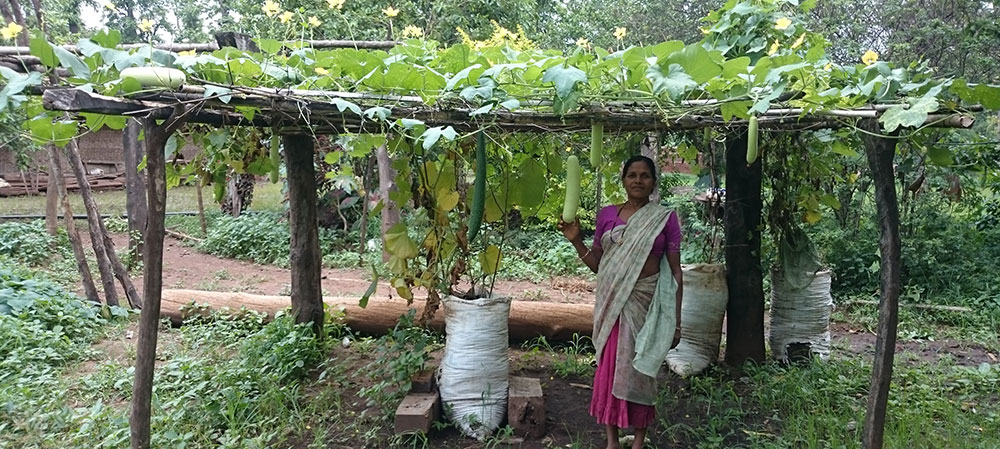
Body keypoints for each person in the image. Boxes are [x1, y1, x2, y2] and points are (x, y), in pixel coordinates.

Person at [558, 155, 683, 449]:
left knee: (642, 370)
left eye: (645, 175)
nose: (638, 180)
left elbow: (675, 270)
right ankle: (612, 441)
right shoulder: (607, 215)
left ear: (653, 182)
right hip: (613, 303)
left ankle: (638, 441)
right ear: (624, 180)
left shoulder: (665, 218)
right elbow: (599, 265)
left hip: (647, 305)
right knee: (611, 367)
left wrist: (676, 321)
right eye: (632, 175)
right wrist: (576, 240)